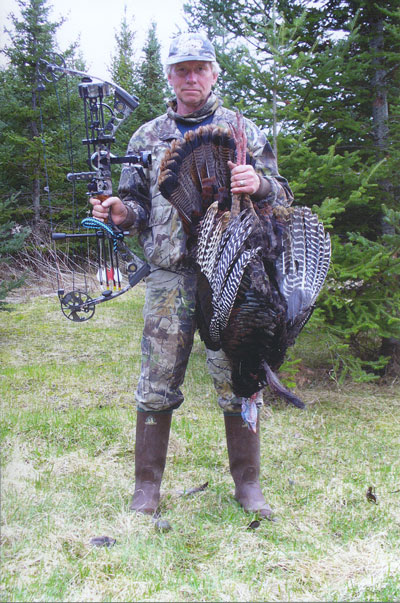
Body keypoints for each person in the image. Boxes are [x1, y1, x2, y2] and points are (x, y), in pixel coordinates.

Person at [90, 32, 293, 520]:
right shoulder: (146, 136)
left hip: (232, 275)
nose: (191, 77)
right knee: (157, 381)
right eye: (182, 69)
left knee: (239, 379)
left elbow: (282, 197)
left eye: (200, 68)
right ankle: (146, 491)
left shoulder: (243, 130)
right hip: (169, 276)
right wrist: (122, 212)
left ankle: (248, 485)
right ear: (169, 77)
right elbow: (135, 201)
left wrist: (259, 183)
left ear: (215, 73)